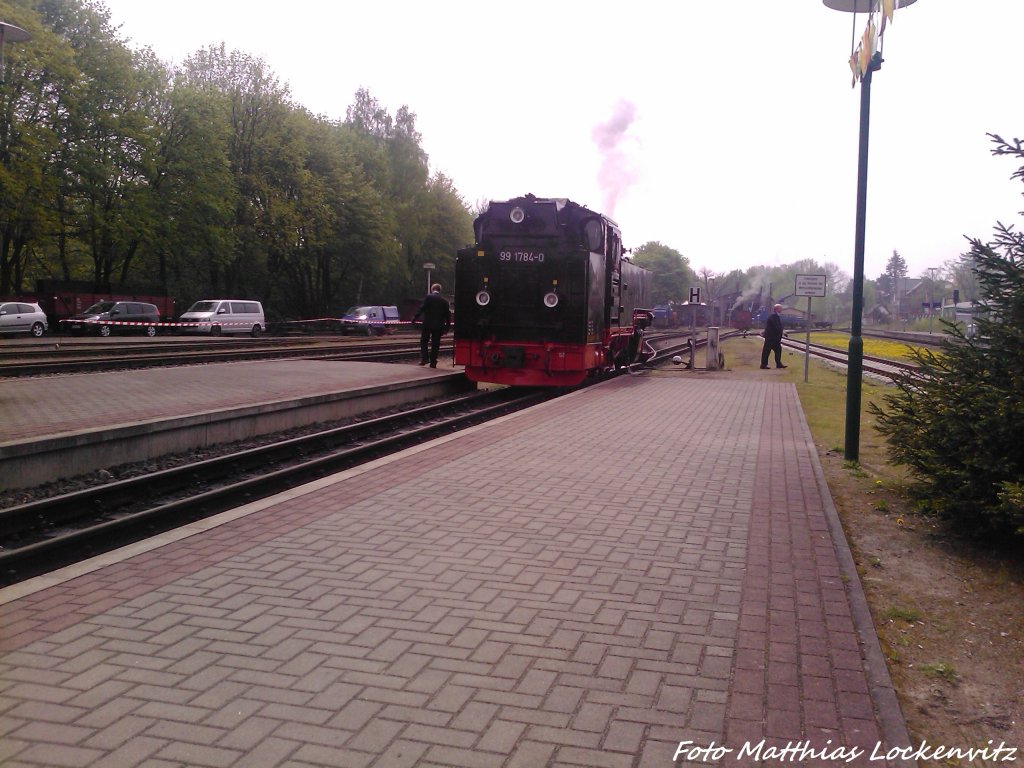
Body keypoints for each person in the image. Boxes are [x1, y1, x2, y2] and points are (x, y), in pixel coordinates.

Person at [412, 283, 451, 368]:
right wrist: (447, 328)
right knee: (435, 344)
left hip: (427, 324)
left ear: (432, 289)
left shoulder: (428, 297)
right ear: (439, 290)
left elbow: (422, 308)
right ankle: (433, 362)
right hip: (439, 326)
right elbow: (448, 316)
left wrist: (415, 318)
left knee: (424, 341)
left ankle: (425, 358)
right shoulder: (444, 301)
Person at [760, 303, 787, 369]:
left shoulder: (776, 317)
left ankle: (778, 364)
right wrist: (782, 332)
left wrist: (782, 332)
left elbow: (778, 326)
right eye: (780, 308)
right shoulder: (773, 317)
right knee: (766, 351)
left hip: (774, 338)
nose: (781, 309)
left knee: (778, 350)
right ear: (777, 309)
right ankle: (763, 365)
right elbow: (777, 327)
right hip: (771, 338)